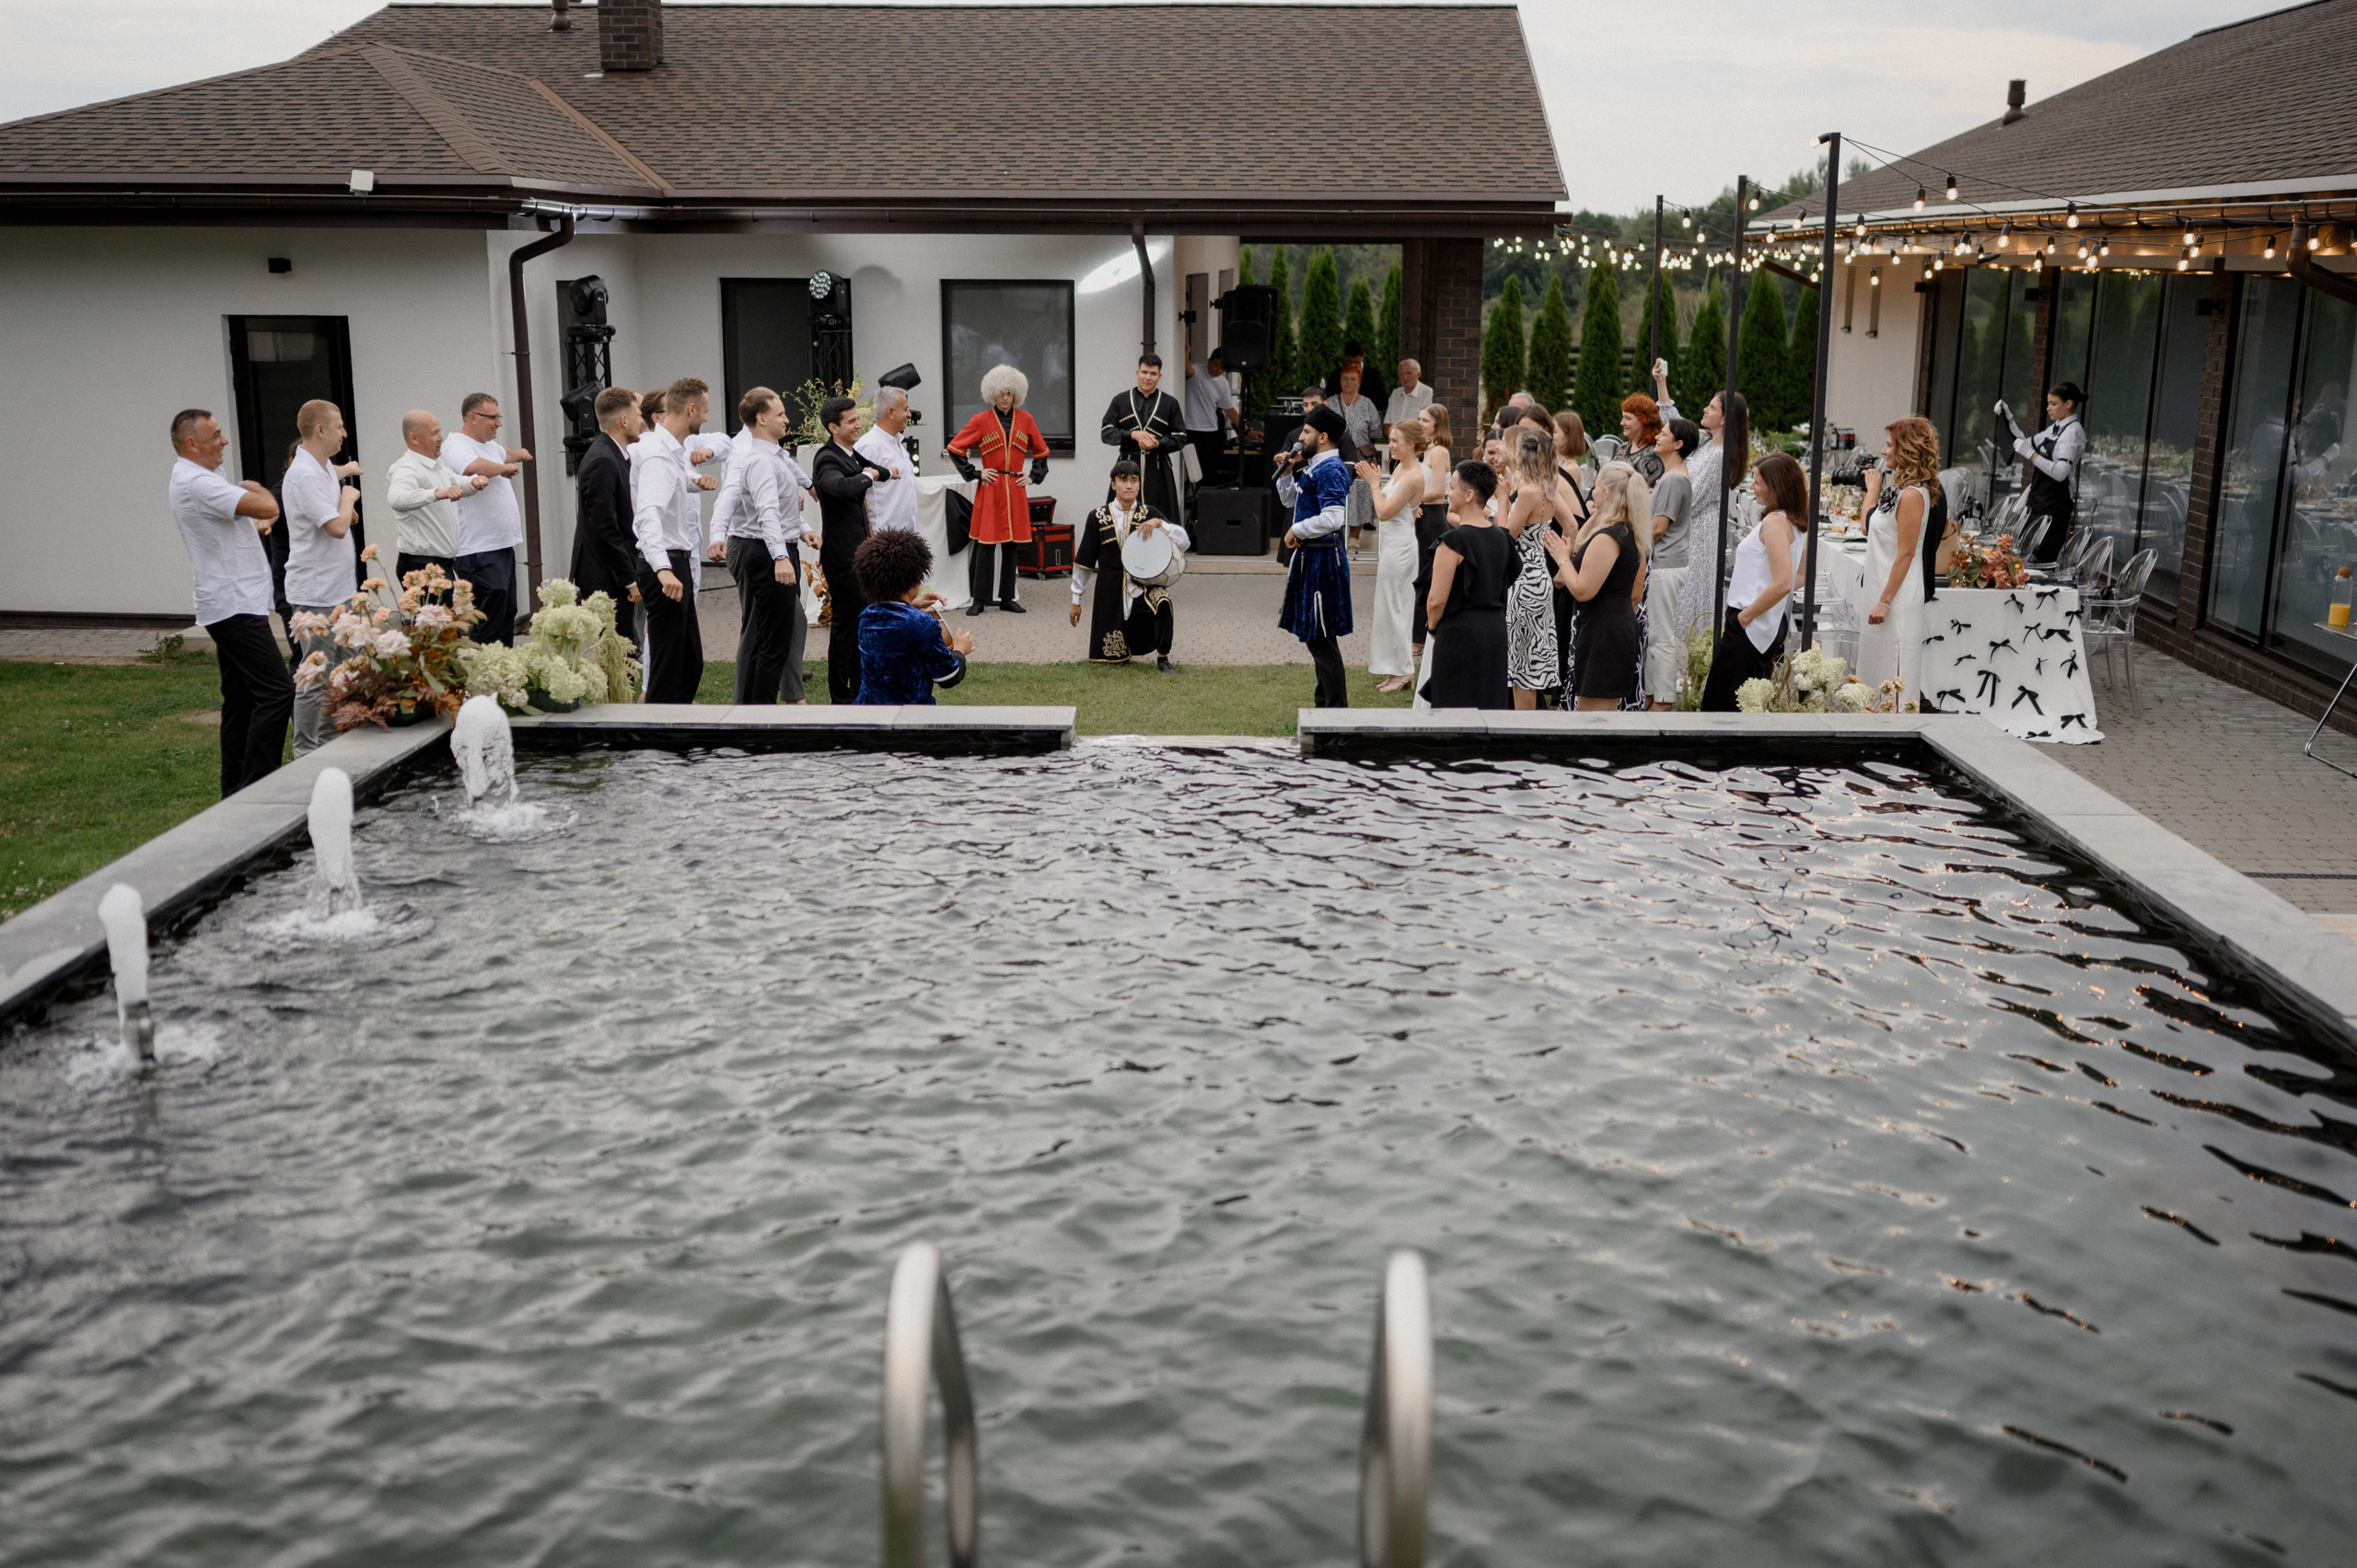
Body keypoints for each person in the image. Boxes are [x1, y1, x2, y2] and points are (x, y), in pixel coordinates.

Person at [168, 409, 291, 796]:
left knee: (241, 700)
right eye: (216, 434)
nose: (224, 441)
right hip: (233, 605)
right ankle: (258, 789)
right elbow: (269, 508)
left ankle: (235, 793)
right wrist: (257, 490)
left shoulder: (203, 479)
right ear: (192, 443)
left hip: (235, 602)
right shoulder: (197, 483)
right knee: (277, 692)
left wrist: (250, 498)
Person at [281, 399, 362, 757]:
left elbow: (337, 477)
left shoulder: (323, 465)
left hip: (340, 590)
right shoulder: (304, 475)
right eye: (339, 426)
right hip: (315, 595)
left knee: (344, 670)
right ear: (319, 430)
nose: (344, 433)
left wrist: (347, 475)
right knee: (315, 675)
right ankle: (305, 751)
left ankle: (331, 742)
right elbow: (337, 527)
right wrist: (348, 498)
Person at [724, 386, 813, 704]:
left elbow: (784, 509)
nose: (787, 420)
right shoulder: (760, 461)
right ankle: (756, 714)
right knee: (769, 643)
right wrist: (780, 556)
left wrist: (802, 531)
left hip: (776, 549)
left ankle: (756, 712)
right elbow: (768, 513)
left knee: (776, 639)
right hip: (765, 552)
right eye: (780, 414)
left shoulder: (776, 456)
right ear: (761, 419)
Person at [1699, 453, 1806, 710]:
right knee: (1745, 704)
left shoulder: (1774, 522)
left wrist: (1745, 617)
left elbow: (1784, 583)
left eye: (1757, 482)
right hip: (1766, 623)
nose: (1752, 487)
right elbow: (1801, 576)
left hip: (1750, 624)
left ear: (1776, 486)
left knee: (1720, 707)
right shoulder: (1796, 521)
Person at [630, 377, 714, 703]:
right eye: (704, 410)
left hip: (674, 561)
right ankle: (658, 730)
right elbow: (648, 514)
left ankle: (675, 725)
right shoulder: (658, 454)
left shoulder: (670, 451)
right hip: (664, 565)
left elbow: (674, 484)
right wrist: (663, 569)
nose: (705, 417)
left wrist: (696, 481)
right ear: (691, 409)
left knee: (689, 662)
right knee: (670, 668)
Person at [1543, 459, 1649, 711]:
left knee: (1593, 716)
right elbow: (1581, 544)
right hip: (1611, 626)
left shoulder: (1609, 537)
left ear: (1608, 492)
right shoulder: (1625, 528)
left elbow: (1582, 590)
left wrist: (1561, 559)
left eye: (1597, 486)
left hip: (1604, 633)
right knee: (1600, 712)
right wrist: (1599, 515)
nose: (1592, 492)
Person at [946, 364, 1051, 615]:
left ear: (1016, 394)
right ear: (992, 393)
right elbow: (956, 448)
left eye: (1009, 393)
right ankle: (979, 599)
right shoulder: (980, 420)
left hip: (1015, 488)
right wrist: (976, 473)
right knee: (986, 546)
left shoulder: (1026, 420)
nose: (1005, 397)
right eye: (1001, 393)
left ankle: (1007, 598)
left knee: (1012, 546)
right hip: (991, 488)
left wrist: (1033, 477)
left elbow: (1042, 452)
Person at [812, 396, 894, 703]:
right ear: (834, 428)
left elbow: (876, 469)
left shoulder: (850, 453)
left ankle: (860, 687)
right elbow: (840, 487)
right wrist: (869, 476)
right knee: (845, 626)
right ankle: (839, 695)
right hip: (841, 556)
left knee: (861, 622)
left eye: (858, 418)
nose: (859, 424)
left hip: (858, 555)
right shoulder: (826, 458)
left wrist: (887, 472)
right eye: (851, 421)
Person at [1072, 459, 1189, 671]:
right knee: (1112, 657)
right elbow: (1084, 562)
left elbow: (1184, 542)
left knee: (1163, 600)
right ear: (1113, 484)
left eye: (1134, 480)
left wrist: (1160, 524)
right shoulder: (1097, 517)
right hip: (1110, 590)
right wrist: (1076, 600)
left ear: (1139, 485)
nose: (1129, 485)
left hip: (1143, 586)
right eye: (1123, 480)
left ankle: (1163, 659)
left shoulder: (1149, 514)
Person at [1276, 401, 1355, 707]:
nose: (1301, 437)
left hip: (1324, 561)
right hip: (1312, 559)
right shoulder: (1315, 467)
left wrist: (1297, 530)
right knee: (1317, 637)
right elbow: (1290, 502)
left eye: (1307, 431)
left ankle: (1335, 709)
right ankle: (1325, 704)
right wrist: (1286, 472)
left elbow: (1334, 518)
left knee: (1321, 639)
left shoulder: (1332, 469)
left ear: (1322, 437)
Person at [1418, 459, 1514, 710]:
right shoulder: (1501, 537)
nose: (1447, 493)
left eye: (1452, 487)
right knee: (1489, 708)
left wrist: (1432, 626)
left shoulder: (1452, 541)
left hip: (1458, 634)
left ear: (1469, 495)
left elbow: (1436, 601)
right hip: (1494, 632)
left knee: (1454, 709)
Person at [1856, 416, 1935, 703]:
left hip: (1896, 598)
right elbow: (1868, 527)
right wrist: (1873, 492)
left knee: (1893, 671)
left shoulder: (1913, 495)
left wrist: (1885, 601)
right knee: (1875, 669)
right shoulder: (1899, 489)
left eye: (1889, 445)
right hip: (1880, 589)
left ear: (1907, 450)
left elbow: (1906, 553)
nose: (1883, 451)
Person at [440, 392, 530, 645]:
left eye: (499, 417)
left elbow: (504, 453)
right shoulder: (456, 445)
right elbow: (471, 467)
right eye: (493, 418)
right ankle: (481, 664)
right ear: (473, 418)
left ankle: (502, 665)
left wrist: (519, 454)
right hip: (478, 549)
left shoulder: (490, 445)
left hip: (501, 545)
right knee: (488, 614)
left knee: (506, 611)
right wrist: (503, 469)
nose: (498, 423)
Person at [853, 528, 971, 705]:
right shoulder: (923, 624)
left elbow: (892, 617)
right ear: (913, 579)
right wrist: (960, 650)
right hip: (910, 715)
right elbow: (948, 678)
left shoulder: (867, 616)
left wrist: (912, 604)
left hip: (870, 712)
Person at [569, 387, 644, 646]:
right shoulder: (602, 460)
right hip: (605, 577)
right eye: (638, 415)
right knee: (614, 654)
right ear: (624, 420)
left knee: (622, 652)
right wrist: (629, 579)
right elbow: (605, 529)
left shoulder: (616, 454)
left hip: (612, 573)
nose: (641, 421)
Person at [1359, 422, 1429, 691]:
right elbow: (1401, 506)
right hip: (1391, 546)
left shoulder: (1414, 475)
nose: (1390, 445)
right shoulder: (1400, 468)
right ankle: (1394, 668)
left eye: (1395, 440)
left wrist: (1374, 485)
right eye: (1390, 440)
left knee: (1397, 608)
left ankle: (1404, 672)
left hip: (1400, 549)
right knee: (1388, 609)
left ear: (1411, 444)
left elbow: (1384, 512)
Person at [388, 409, 482, 591]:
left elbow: (457, 483)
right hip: (420, 566)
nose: (441, 438)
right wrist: (436, 493)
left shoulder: (436, 465)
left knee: (447, 611)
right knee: (435, 612)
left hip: (441, 565)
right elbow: (397, 499)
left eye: (439, 431)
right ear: (414, 438)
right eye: (434, 433)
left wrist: (474, 482)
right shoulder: (406, 468)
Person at [1502, 427, 1562, 708]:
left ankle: (1523, 724)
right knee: (1529, 659)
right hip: (1539, 575)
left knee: (1523, 665)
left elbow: (1506, 537)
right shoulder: (1548, 487)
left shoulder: (1527, 492)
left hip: (1524, 580)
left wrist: (1501, 500)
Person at [1643, 417, 1700, 709]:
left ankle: (1663, 699)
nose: (1657, 437)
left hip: (1666, 564)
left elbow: (1658, 528)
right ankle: (1652, 693)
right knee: (1653, 633)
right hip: (1664, 563)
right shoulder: (1670, 476)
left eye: (1663, 434)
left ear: (1678, 444)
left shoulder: (1675, 479)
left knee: (1660, 635)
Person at [1996, 382, 2084, 563]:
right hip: (2038, 501)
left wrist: (2031, 454)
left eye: (2053, 404)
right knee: (2025, 554)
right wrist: (2008, 417)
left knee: (2042, 560)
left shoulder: (2073, 432)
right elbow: (2024, 442)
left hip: (2054, 505)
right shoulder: (2056, 427)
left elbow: (2061, 472)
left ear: (2068, 404)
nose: (2047, 408)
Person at [1100, 354, 1189, 520]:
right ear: (1137, 373)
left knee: (1160, 518)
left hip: (1159, 470)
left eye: (1153, 374)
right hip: (1126, 466)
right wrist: (1132, 434)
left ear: (1159, 376)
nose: (1148, 377)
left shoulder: (1170, 403)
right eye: (1144, 372)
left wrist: (1158, 444)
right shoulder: (1120, 400)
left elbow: (1180, 438)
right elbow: (1106, 432)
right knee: (1122, 517)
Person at [1411, 401, 1455, 661]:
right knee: (1418, 573)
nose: (1420, 424)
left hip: (1433, 518)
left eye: (1425, 420)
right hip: (1421, 515)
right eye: (1418, 419)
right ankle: (1416, 633)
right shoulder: (1424, 451)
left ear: (1438, 424)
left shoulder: (1438, 452)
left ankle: (1421, 636)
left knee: (1426, 576)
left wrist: (1413, 500)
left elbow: (1438, 491)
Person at [855, 385, 919, 536]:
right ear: (890, 412)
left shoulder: (897, 442)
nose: (909, 414)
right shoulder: (869, 446)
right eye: (905, 409)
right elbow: (858, 495)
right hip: (883, 539)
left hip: (906, 536)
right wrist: (870, 538)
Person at [1182, 345, 1239, 489]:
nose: (1218, 370)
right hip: (1191, 429)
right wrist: (1186, 354)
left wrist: (1248, 431)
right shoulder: (1197, 371)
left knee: (1209, 471)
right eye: (1216, 365)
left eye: (1222, 368)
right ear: (1209, 361)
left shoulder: (1223, 383)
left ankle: (1204, 497)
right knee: (1192, 470)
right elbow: (1188, 370)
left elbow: (1230, 410)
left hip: (1211, 432)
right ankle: (1192, 496)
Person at [1618, 394, 1665, 483]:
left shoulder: (1654, 456)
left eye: (1628, 418)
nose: (1622, 423)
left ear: (1645, 421)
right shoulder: (1622, 448)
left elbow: (1641, 488)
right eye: (1623, 417)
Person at [1387, 359, 1434, 427]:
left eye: (1409, 373)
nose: (1405, 377)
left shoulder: (1427, 393)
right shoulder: (1395, 394)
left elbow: (1427, 424)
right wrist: (1393, 434)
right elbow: (1387, 423)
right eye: (1401, 374)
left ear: (1418, 374)